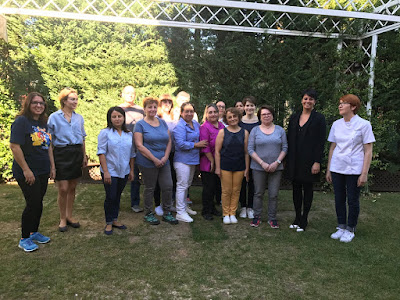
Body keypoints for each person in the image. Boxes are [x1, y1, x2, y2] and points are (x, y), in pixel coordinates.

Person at [326, 94, 375, 243]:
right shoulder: (336, 124)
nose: (340, 105)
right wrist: (329, 169)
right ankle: (341, 225)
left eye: (344, 103)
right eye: (339, 103)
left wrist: (364, 173)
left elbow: (368, 151)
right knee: (339, 198)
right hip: (337, 167)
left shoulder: (364, 125)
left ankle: (350, 228)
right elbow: (332, 148)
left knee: (352, 200)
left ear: (353, 107)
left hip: (354, 168)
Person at [10, 92, 54, 252]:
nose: (39, 106)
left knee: (39, 201)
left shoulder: (44, 123)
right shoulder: (22, 122)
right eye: (35, 103)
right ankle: (24, 238)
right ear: (28, 104)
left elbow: (48, 146)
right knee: (32, 202)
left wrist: (52, 167)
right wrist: (26, 170)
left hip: (42, 170)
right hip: (27, 171)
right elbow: (15, 146)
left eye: (41, 103)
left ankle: (33, 232)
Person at [286, 89, 326, 232]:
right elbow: (289, 139)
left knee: (308, 189)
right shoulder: (294, 118)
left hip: (310, 161)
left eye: (311, 99)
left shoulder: (319, 119)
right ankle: (297, 217)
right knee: (296, 189)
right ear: (301, 100)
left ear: (314, 102)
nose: (307, 101)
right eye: (305, 98)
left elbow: (321, 142)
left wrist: (317, 161)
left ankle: (304, 218)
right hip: (295, 160)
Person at [134, 97, 178, 225]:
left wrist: (165, 157)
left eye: (154, 107)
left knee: (168, 186)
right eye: (150, 107)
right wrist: (154, 159)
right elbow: (139, 146)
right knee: (150, 188)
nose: (152, 109)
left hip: (163, 161)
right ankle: (148, 213)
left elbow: (169, 140)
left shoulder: (162, 122)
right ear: (145, 109)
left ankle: (167, 212)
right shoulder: (140, 125)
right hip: (147, 162)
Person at [48, 88, 87, 232]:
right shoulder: (54, 117)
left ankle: (69, 216)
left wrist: (84, 155)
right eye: (72, 99)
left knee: (72, 187)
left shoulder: (79, 118)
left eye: (76, 99)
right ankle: (62, 218)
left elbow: (82, 138)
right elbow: (49, 142)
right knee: (63, 188)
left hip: (76, 153)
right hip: (61, 153)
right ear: (64, 101)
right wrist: (52, 164)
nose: (75, 102)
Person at [248, 105, 288, 228]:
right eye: (263, 114)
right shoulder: (255, 130)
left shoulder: (280, 130)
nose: (266, 116)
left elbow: (285, 148)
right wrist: (262, 163)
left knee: (273, 194)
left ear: (272, 115)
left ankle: (272, 218)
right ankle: (257, 217)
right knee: (258, 193)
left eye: (268, 114)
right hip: (258, 167)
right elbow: (250, 149)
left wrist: (277, 162)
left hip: (276, 167)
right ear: (260, 117)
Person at [97, 107, 135, 235]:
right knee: (111, 196)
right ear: (110, 119)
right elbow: (101, 153)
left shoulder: (129, 134)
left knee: (118, 195)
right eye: (114, 117)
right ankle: (108, 222)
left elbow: (132, 154)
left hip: (124, 170)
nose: (117, 119)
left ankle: (115, 219)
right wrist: (106, 172)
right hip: (110, 171)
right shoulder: (105, 133)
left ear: (123, 118)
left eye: (119, 116)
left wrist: (131, 170)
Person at [173, 103, 207, 222]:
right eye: (186, 111)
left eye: (191, 111)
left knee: (187, 185)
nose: (189, 113)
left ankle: (184, 206)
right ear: (181, 113)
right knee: (182, 185)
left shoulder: (196, 124)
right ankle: (180, 212)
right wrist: (196, 145)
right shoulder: (180, 126)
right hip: (182, 160)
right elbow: (180, 144)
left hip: (193, 160)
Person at [215, 108, 249, 224]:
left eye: (234, 116)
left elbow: (246, 153)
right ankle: (226, 213)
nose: (232, 119)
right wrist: (218, 168)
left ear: (239, 117)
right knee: (226, 190)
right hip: (225, 165)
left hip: (240, 166)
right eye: (230, 117)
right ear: (226, 119)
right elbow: (217, 152)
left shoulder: (244, 133)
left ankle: (233, 213)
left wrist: (247, 168)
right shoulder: (222, 132)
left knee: (236, 190)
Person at [119, 85, 144, 213]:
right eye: (127, 93)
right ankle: (115, 200)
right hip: (122, 149)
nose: (130, 95)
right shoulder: (118, 109)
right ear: (122, 94)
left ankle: (135, 203)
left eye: (132, 93)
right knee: (119, 176)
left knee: (135, 177)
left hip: (138, 149)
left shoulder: (141, 110)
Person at [199, 104, 224, 220]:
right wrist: (212, 161)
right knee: (208, 187)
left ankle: (213, 208)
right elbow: (205, 146)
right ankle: (206, 210)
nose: (213, 114)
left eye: (215, 112)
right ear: (206, 114)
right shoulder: (204, 127)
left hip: (220, 161)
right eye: (210, 112)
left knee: (216, 187)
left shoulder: (221, 126)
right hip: (208, 162)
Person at [154, 94, 177, 216]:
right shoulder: (156, 117)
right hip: (159, 152)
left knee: (171, 179)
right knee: (158, 180)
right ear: (160, 104)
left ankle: (168, 203)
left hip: (173, 153)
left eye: (169, 102)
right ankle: (157, 204)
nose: (167, 104)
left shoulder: (175, 118)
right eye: (164, 102)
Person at [238, 96, 260, 219]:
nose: (249, 107)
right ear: (244, 107)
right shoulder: (240, 121)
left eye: (252, 105)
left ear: (255, 107)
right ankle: (243, 207)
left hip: (256, 156)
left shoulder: (260, 121)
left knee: (253, 182)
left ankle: (250, 207)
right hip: (241, 156)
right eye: (247, 105)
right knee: (241, 182)